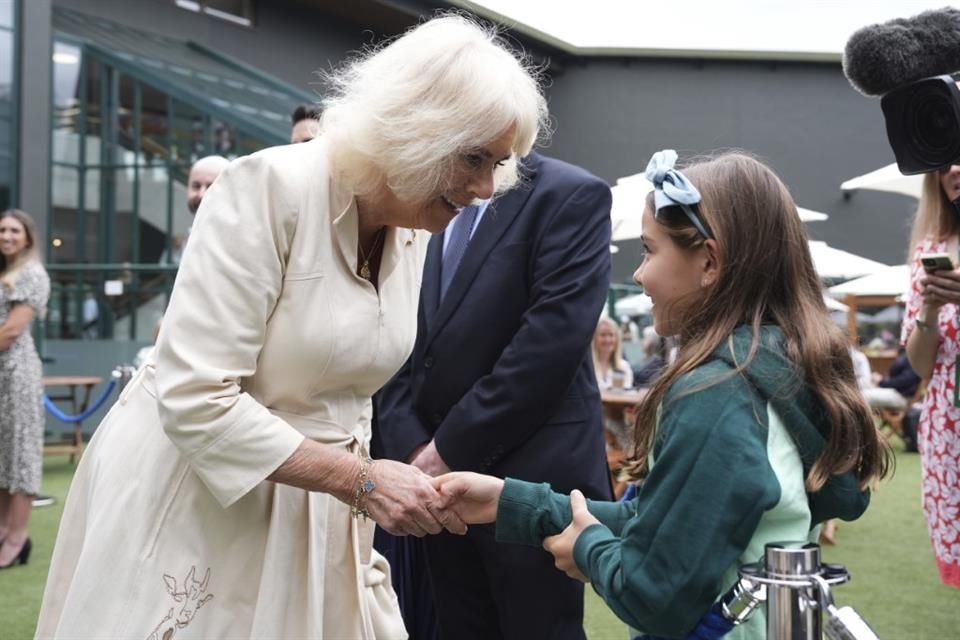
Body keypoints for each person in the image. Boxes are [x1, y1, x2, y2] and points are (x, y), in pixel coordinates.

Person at [35, 15, 548, 639]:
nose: (486, 187)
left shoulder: (415, 224)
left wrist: (384, 480)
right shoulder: (267, 187)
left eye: (499, 162)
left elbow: (350, 391)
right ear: (414, 129)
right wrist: (360, 479)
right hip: (204, 496)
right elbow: (196, 396)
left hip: (322, 508)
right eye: (473, 157)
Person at [432, 150, 892, 639]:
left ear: (709, 261)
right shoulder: (781, 371)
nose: (639, 274)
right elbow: (660, 520)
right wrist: (510, 502)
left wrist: (589, 547)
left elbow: (652, 593)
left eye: (650, 251)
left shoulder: (717, 394)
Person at [372, 146, 613, 637]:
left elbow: (548, 346)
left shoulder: (569, 194)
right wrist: (413, 446)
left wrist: (443, 452)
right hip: (434, 487)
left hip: (533, 480)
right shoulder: (418, 197)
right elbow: (390, 328)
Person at [901, 162, 960, 589]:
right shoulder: (931, 248)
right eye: (941, 163)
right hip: (948, 436)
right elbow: (922, 367)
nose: (953, 168)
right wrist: (930, 308)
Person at [0, 209, 51, 570]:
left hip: (16, 374)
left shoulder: (31, 274)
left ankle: (17, 537)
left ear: (28, 237)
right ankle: (3, 529)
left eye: (14, 230)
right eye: (1, 229)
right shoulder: (4, 274)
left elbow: (12, 330)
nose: (6, 235)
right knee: (3, 456)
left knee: (20, 453)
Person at [163, 155, 230, 265]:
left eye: (211, 186)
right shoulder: (191, 239)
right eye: (196, 186)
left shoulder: (242, 243)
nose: (201, 194)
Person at [593, 316, 634, 390]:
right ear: (594, 339)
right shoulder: (588, 367)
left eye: (611, 335)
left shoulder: (624, 367)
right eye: (603, 335)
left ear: (617, 339)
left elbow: (627, 395)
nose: (607, 339)